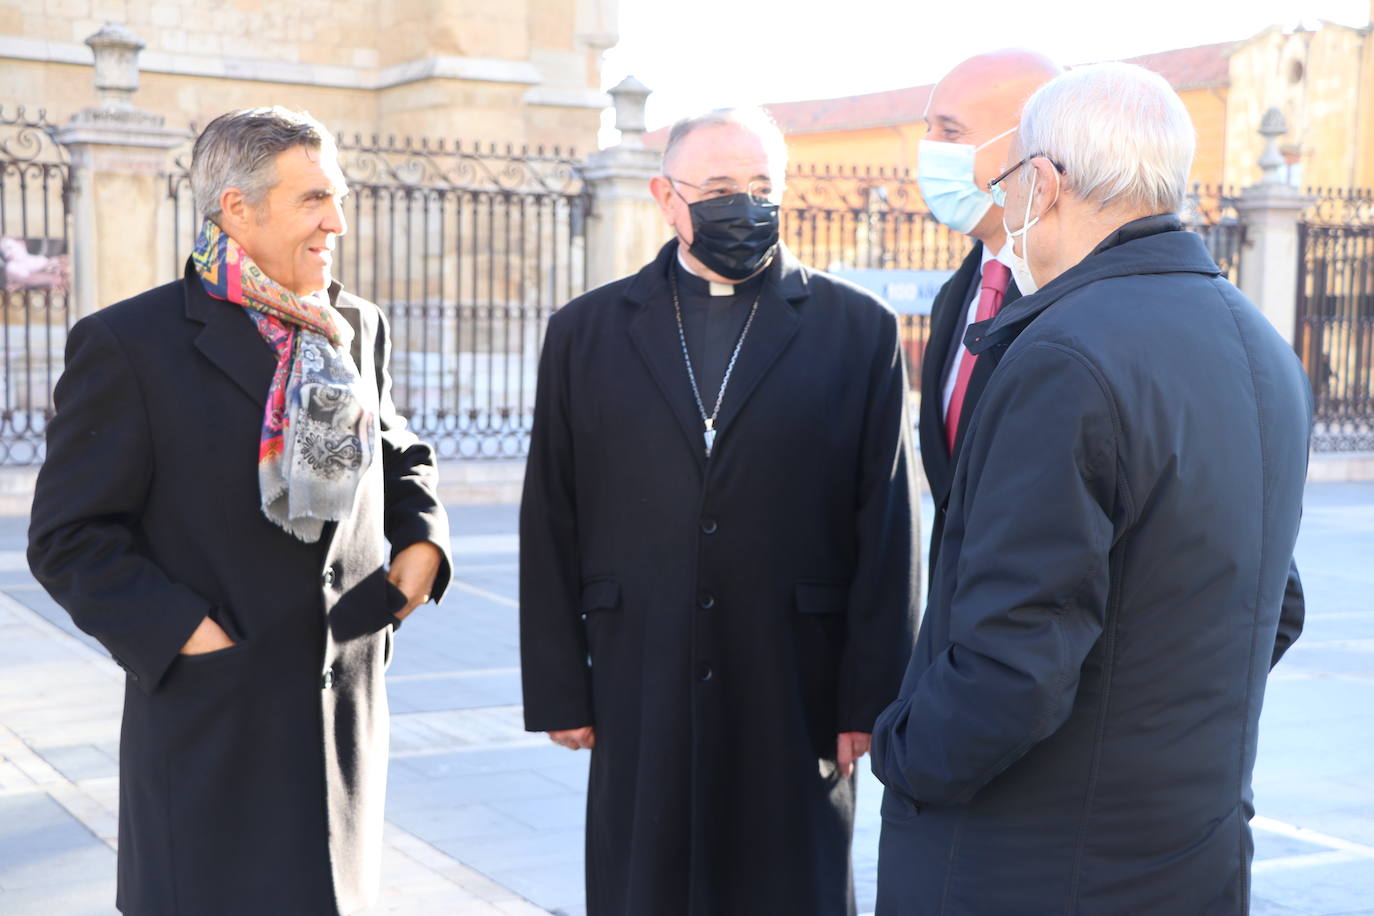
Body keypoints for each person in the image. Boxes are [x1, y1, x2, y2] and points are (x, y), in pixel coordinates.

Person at [871, 63, 1313, 913]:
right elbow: (1272, 606)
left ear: (1043, 182)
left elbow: (1011, 667)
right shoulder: (1265, 351)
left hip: (1040, 862)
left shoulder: (1062, 357)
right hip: (1190, 848)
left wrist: (904, 750)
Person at [28, 107, 452, 916]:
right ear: (237, 209)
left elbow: (398, 449)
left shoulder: (355, 325)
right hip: (214, 726)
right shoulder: (129, 343)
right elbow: (68, 538)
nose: (339, 221)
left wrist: (423, 541)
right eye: (314, 200)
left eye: (340, 195)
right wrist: (190, 635)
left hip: (343, 723)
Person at [519, 107, 919, 915]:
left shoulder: (858, 330)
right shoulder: (585, 332)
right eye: (723, 188)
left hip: (793, 680)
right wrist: (561, 687)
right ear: (667, 198)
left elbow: (887, 529)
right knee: (648, 883)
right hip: (641, 671)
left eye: (763, 187)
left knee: (788, 883)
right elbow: (552, 514)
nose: (746, 205)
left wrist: (869, 699)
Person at [915, 48, 1061, 580]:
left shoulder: (1078, 308)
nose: (927, 149)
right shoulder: (959, 294)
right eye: (927, 128)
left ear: (1025, 149)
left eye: (950, 133)